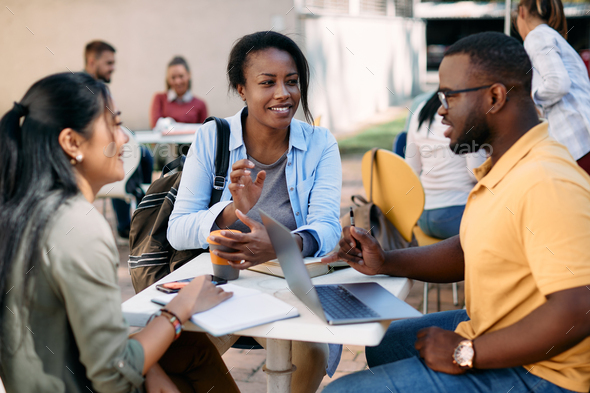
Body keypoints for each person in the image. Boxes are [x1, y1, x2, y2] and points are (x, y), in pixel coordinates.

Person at [322, 32, 590, 393]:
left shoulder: (545, 180)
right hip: (495, 326)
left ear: (495, 97)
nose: (442, 109)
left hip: (545, 374)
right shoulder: (505, 165)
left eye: (449, 96)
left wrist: (467, 352)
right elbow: (469, 250)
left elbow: (579, 309)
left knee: (342, 392)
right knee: (386, 342)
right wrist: (385, 260)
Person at [0, 72, 239, 393]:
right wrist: (179, 309)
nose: (124, 138)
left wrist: (151, 368)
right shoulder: (80, 226)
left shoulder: (23, 211)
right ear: (72, 142)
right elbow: (112, 375)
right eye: (113, 124)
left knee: (192, 349)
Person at [167, 31, 343, 393]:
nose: (284, 94)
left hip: (291, 288)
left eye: (292, 82)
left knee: (310, 354)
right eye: (268, 82)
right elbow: (178, 229)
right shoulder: (212, 137)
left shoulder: (320, 144)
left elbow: (328, 227)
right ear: (241, 89)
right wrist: (233, 210)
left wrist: (286, 243)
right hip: (224, 287)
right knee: (177, 354)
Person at [84, 40, 154, 238]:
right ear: (92, 62)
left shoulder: (100, 88)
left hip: (108, 146)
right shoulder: (85, 89)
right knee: (128, 156)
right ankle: (128, 223)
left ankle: (142, 213)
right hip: (97, 151)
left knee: (145, 155)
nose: (113, 68)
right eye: (109, 63)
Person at [514, 0, 590, 175]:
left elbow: (557, 84)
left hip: (575, 143)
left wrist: (531, 100)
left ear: (522, 12)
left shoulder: (536, 37)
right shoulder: (553, 36)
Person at [405, 92, 486, 239]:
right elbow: (475, 173)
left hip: (423, 215)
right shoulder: (467, 111)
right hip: (457, 214)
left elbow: (411, 169)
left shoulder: (421, 110)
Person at [149, 56, 208, 129]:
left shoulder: (200, 104)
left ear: (188, 75)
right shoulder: (159, 99)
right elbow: (155, 127)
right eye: (173, 77)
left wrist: (171, 125)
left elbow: (203, 132)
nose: (178, 81)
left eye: (181, 76)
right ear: (168, 79)